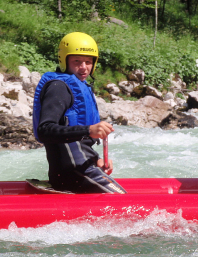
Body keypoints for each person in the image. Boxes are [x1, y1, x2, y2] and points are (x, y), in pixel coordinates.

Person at [32, 32, 127, 194]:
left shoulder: (80, 86)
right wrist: (89, 130)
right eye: (77, 61)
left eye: (88, 62)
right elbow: (45, 130)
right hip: (72, 173)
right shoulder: (58, 88)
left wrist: (97, 160)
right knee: (124, 203)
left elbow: (79, 143)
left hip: (82, 168)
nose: (84, 67)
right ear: (65, 60)